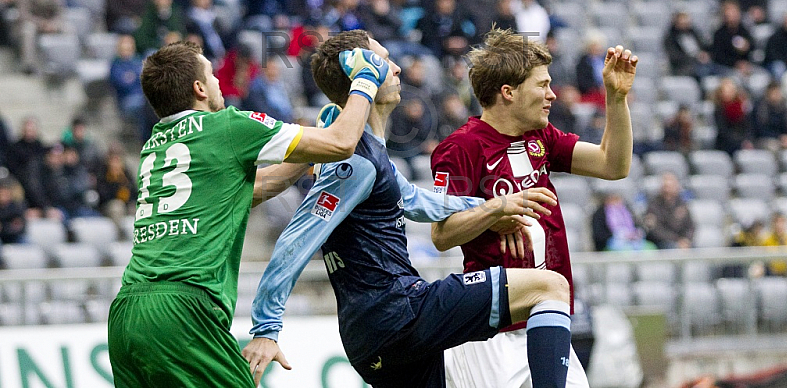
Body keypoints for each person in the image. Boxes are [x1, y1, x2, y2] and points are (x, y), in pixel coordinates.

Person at [244, 29, 574, 388]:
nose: (398, 68)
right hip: (396, 313)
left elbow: (417, 201)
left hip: (375, 334)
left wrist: (492, 206)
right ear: (361, 71)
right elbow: (296, 240)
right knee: (550, 286)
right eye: (384, 60)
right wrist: (266, 328)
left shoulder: (367, 153)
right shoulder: (356, 163)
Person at [107, 39, 390, 386]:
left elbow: (245, 194)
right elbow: (342, 142)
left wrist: (306, 159)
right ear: (198, 88)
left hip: (126, 313)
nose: (218, 83)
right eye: (211, 75)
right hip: (183, 310)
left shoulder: (157, 143)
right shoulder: (229, 126)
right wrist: (364, 81)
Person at [430, 28, 638, 388]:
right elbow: (441, 234)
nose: (552, 94)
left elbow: (612, 165)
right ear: (508, 93)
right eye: (542, 85)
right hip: (490, 334)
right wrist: (497, 209)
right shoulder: (460, 148)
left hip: (547, 321)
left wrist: (616, 99)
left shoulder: (541, 137)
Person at [643, 172, 695, 250]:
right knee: (671, 247)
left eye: (671, 184)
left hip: (682, 242)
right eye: (666, 185)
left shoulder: (682, 204)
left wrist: (686, 239)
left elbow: (690, 226)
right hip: (662, 243)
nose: (668, 187)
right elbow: (654, 230)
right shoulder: (653, 204)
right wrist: (677, 240)